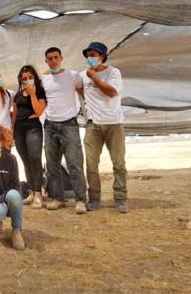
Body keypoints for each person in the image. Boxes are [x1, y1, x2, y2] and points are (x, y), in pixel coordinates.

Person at [80, 42, 128, 213]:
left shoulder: (113, 72)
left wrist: (94, 78)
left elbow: (112, 92)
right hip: (93, 125)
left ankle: (121, 198)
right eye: (88, 55)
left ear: (102, 56)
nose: (90, 58)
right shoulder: (82, 75)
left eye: (94, 55)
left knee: (119, 163)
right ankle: (94, 198)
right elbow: (80, 90)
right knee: (91, 164)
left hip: (114, 123)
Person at [41, 47, 87, 214]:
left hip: (69, 123)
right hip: (50, 124)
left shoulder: (73, 76)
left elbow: (83, 95)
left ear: (61, 58)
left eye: (56, 57)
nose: (53, 61)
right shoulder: (44, 79)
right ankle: (57, 197)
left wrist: (88, 116)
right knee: (52, 164)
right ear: (46, 61)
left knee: (74, 163)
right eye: (50, 58)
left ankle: (81, 199)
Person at [11, 65, 47, 209]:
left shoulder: (39, 91)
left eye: (30, 77)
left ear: (35, 78)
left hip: (33, 127)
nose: (27, 80)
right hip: (19, 129)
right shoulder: (18, 95)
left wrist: (32, 94)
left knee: (35, 158)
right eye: (24, 78)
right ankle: (31, 191)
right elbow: (14, 113)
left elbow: (39, 111)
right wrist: (12, 129)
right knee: (25, 160)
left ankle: (39, 193)